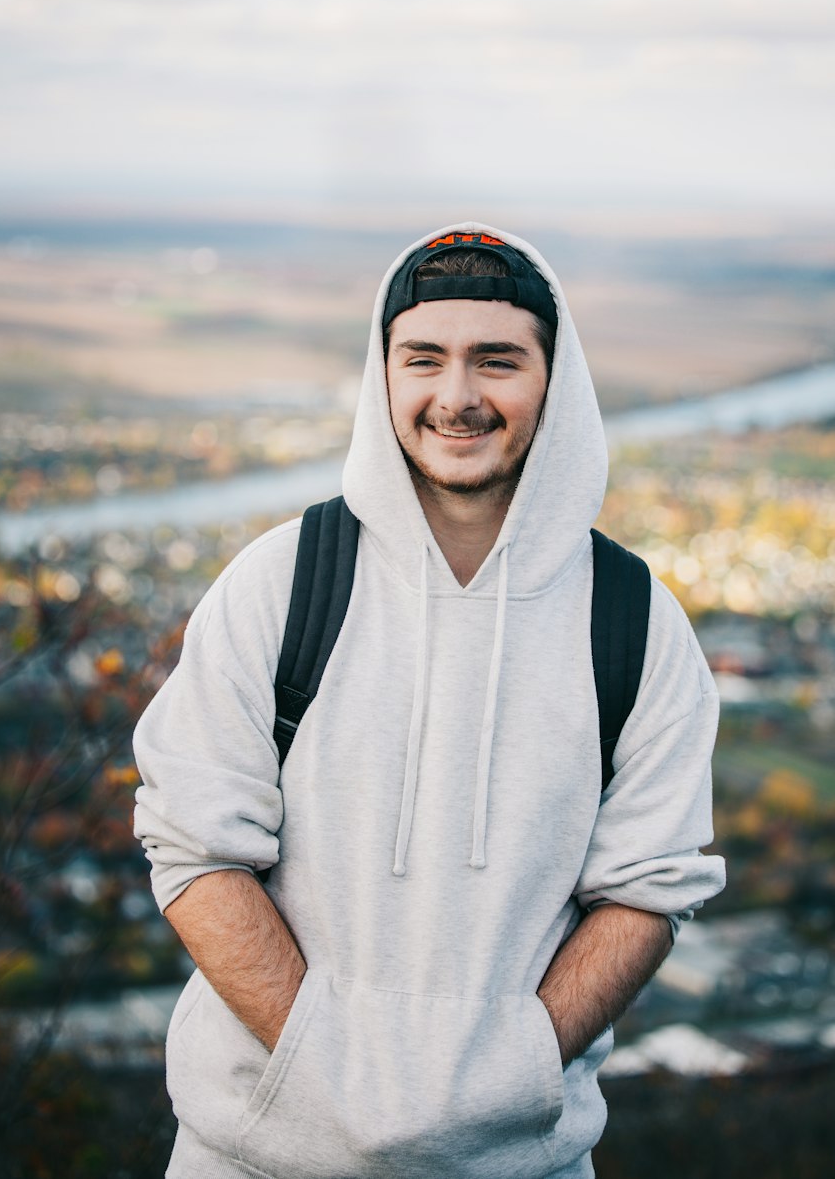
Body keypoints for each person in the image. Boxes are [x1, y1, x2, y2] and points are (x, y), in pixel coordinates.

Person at [133, 224, 726, 1179]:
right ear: (384, 377)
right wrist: (331, 1070)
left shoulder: (634, 623)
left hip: (520, 1164)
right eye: (425, 359)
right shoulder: (282, 585)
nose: (457, 397)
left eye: (498, 360)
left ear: (555, 378)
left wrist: (511, 1068)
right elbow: (196, 850)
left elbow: (647, 888)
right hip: (252, 1159)